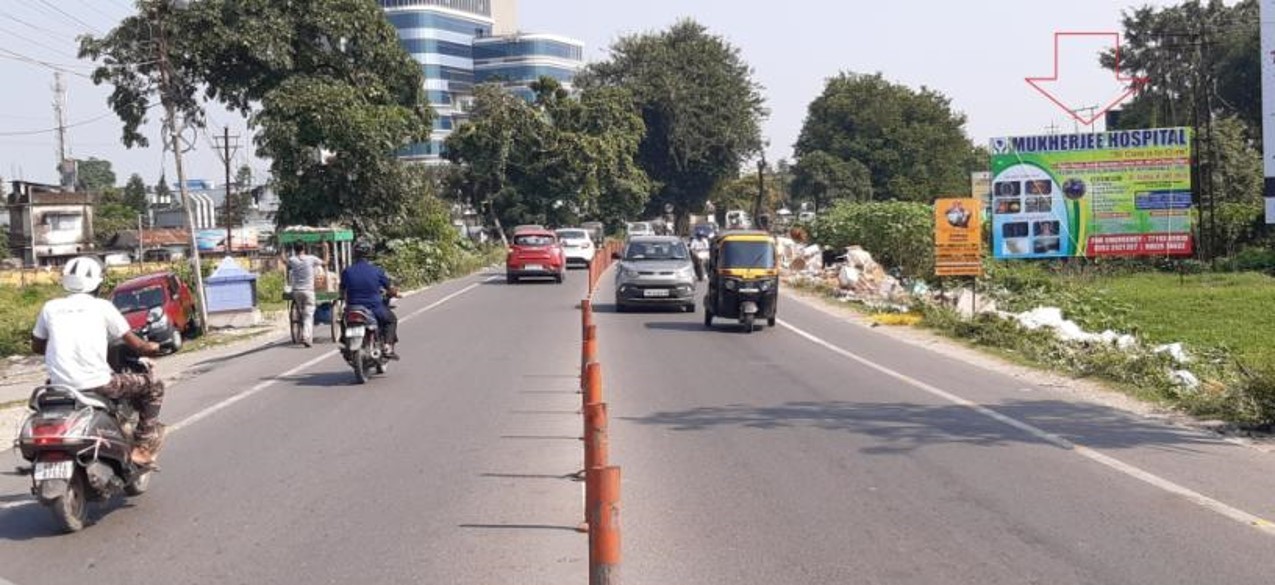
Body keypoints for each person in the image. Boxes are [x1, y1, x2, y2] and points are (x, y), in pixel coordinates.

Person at [31, 256, 166, 466]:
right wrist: (154, 347)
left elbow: (37, 346)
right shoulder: (103, 307)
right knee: (154, 386)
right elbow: (138, 346)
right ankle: (142, 447)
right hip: (99, 384)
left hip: (58, 387)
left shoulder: (49, 308)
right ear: (98, 284)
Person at [340, 240, 400, 359]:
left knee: (343, 321)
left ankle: (346, 344)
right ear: (370, 254)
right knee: (391, 320)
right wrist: (395, 293)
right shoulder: (377, 271)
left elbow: (342, 290)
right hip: (374, 308)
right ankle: (387, 346)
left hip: (353, 308)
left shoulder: (347, 271)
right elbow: (389, 288)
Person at [285, 242, 325, 348]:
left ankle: (304, 332)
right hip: (308, 291)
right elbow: (325, 262)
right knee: (308, 315)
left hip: (296, 291)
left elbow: (284, 261)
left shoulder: (292, 260)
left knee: (302, 313)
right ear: (304, 249)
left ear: (295, 250)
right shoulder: (311, 259)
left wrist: (282, 251)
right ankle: (306, 336)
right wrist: (326, 248)